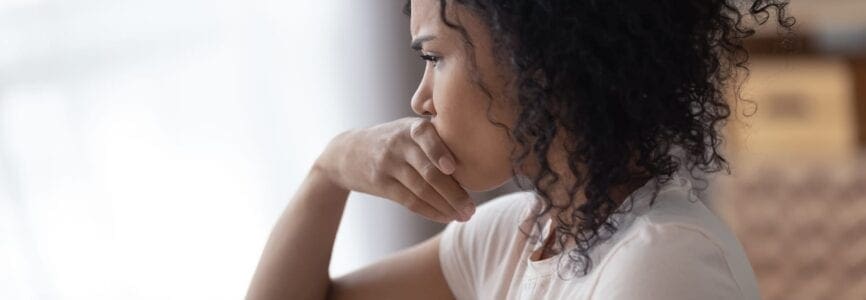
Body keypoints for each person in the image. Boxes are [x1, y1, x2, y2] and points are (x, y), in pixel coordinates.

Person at [246, 0, 795, 299]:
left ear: (535, 60)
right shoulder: (521, 235)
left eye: (434, 58)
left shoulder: (661, 263)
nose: (420, 100)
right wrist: (330, 169)